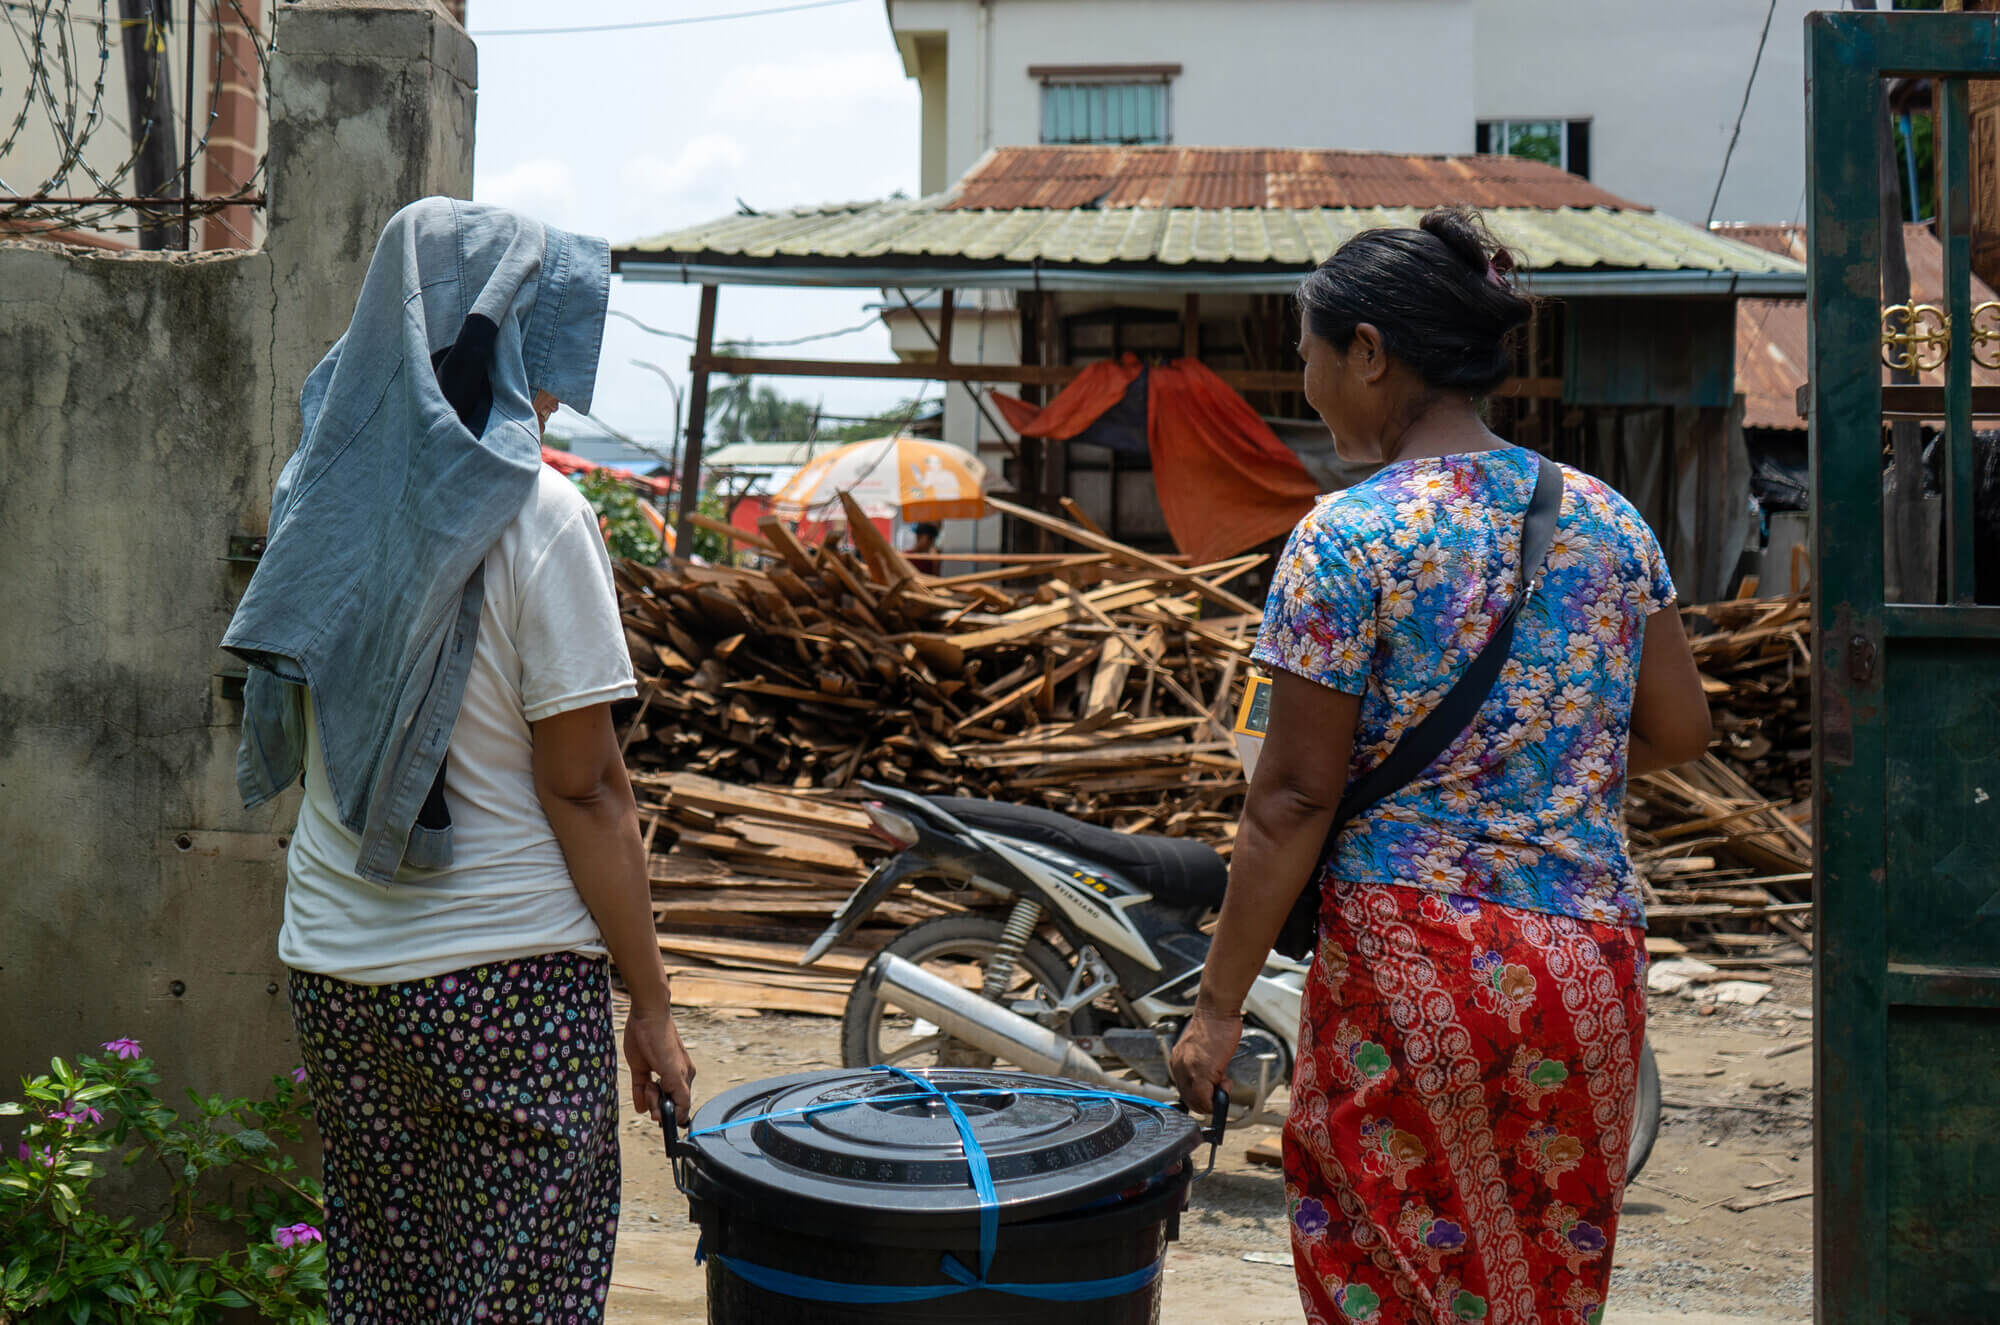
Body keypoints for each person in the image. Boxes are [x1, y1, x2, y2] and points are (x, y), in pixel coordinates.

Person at [1169, 208, 1710, 1324]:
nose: (1307, 383)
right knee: (1541, 1277)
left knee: (1390, 1268)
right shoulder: (1609, 522)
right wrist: (1536, 759)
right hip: (1581, 966)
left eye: (1310, 353)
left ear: (1368, 350)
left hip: (1408, 965)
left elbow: (1292, 796)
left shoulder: (1348, 534)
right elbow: (1676, 729)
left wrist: (1217, 1008)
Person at [223, 199, 695, 1322]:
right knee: (519, 1297)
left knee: (389, 1291)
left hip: (339, 973)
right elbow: (583, 786)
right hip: (507, 983)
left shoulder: (317, 492)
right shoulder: (539, 513)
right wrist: (654, 1005)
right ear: (507, 335)